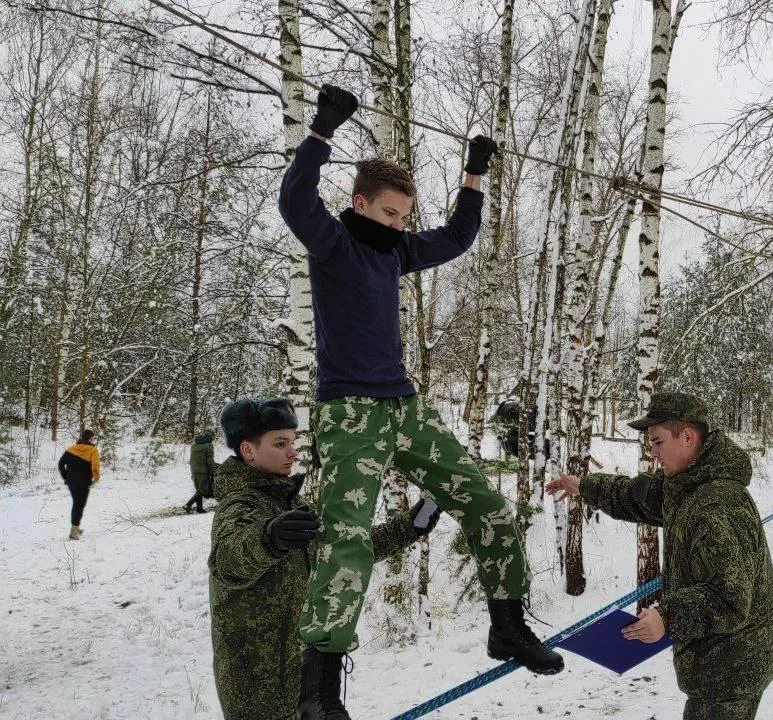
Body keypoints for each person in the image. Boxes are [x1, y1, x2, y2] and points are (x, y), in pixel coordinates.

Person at [278, 84, 562, 717]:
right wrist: (321, 134)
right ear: (360, 205)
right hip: (349, 413)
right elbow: (295, 200)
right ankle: (319, 692)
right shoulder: (333, 243)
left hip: (404, 409)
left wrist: (475, 174)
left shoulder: (397, 251)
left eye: (405, 217)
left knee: (486, 502)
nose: (400, 227)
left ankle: (506, 625)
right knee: (347, 539)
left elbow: (458, 236)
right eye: (389, 215)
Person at [546, 392, 773, 720]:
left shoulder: (717, 505)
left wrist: (668, 617)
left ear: (686, 437)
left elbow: (729, 599)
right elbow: (639, 497)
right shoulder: (686, 484)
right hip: (717, 656)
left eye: (657, 442)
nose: (652, 452)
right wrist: (586, 487)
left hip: (732, 665)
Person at [208, 397, 442, 720]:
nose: (292, 452)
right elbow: (228, 559)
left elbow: (340, 547)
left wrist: (408, 528)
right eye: (280, 444)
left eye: (292, 442)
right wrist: (269, 539)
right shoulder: (239, 507)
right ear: (248, 451)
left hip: (303, 683)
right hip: (259, 695)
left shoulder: (289, 501)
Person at [58, 429, 101, 540]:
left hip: (71, 482)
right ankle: (73, 533)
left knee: (77, 504)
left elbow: (61, 464)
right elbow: (95, 466)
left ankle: (75, 528)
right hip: (84, 483)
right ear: (90, 438)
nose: (93, 439)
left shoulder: (71, 449)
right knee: (79, 505)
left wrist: (65, 477)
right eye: (93, 437)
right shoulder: (93, 450)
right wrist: (96, 479)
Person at [185, 429, 216, 513]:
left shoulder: (194, 445)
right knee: (203, 490)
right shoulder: (209, 445)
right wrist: (213, 472)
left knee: (199, 490)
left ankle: (199, 508)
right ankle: (188, 505)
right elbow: (210, 461)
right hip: (202, 471)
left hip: (194, 470)